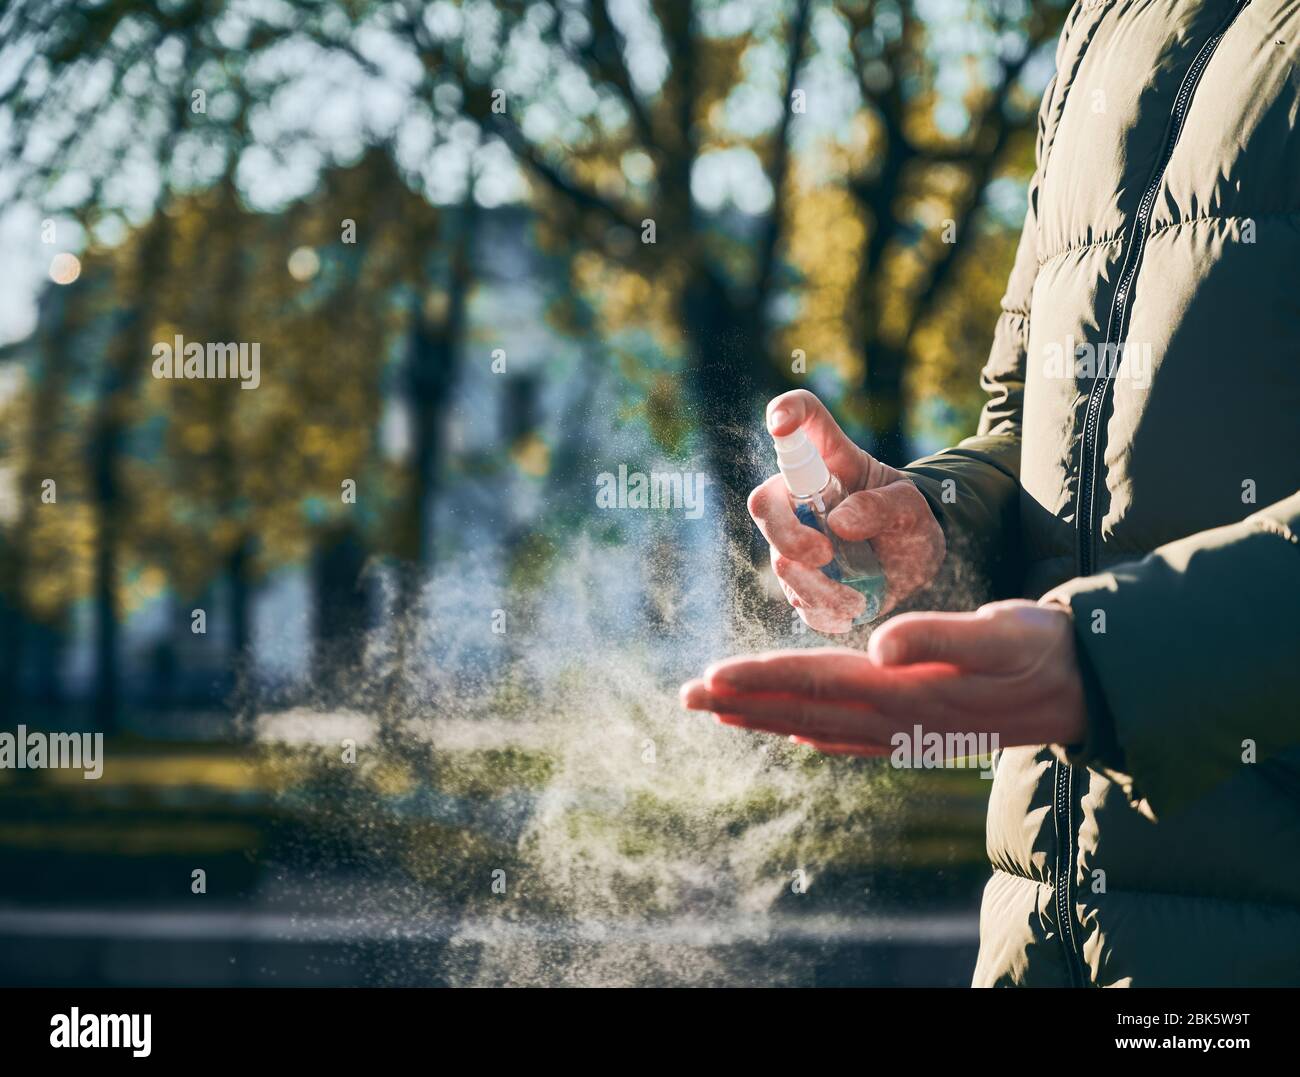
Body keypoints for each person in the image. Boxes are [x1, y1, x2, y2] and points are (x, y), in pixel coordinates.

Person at [681, 0, 1300, 987]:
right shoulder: (1109, 18)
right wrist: (932, 521)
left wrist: (1119, 661)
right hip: (1042, 934)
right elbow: (1029, 417)